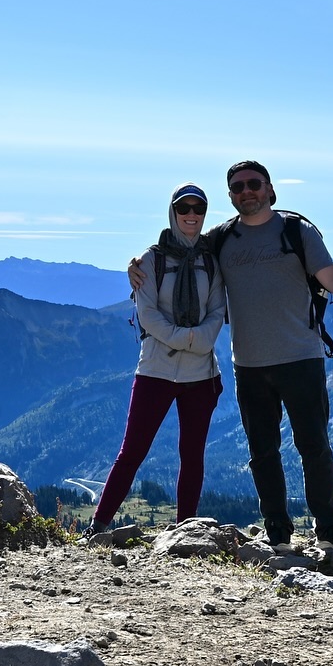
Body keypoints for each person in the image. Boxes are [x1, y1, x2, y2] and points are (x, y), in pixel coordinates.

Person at [131, 160, 333, 550]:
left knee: (313, 445)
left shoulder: (297, 231)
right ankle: (278, 533)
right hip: (249, 364)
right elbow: (181, 246)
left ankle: (329, 530)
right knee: (262, 452)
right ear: (231, 197)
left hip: (301, 356)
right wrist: (140, 263)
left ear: (269, 189)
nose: (246, 191)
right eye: (238, 187)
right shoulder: (222, 238)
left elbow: (331, 277)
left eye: (253, 184)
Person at [84, 183, 226, 538]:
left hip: (199, 376)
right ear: (173, 211)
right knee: (132, 451)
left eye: (198, 209)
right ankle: (98, 526)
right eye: (184, 208)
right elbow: (147, 315)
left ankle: (186, 531)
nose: (191, 215)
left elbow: (218, 311)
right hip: (155, 372)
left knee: (192, 455)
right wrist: (189, 339)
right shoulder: (150, 260)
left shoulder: (212, 260)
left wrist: (195, 339)